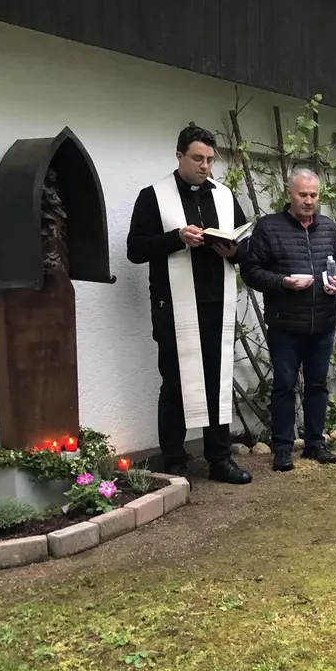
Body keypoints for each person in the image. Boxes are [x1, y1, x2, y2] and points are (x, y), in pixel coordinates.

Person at [125, 123, 251, 484]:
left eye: (210, 159)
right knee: (175, 383)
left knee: (217, 380)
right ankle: (175, 461)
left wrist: (234, 251)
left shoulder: (224, 197)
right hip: (173, 306)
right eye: (197, 158)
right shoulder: (153, 196)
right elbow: (135, 249)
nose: (205, 166)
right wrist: (177, 238)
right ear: (179, 155)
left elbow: (246, 247)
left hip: (216, 303)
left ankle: (219, 459)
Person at [239, 168, 336, 473]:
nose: (309, 200)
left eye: (314, 195)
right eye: (303, 194)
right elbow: (251, 271)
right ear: (290, 194)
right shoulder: (269, 227)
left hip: (322, 322)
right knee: (284, 387)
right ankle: (283, 449)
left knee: (317, 386)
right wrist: (283, 282)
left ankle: (315, 444)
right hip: (285, 324)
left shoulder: (328, 228)